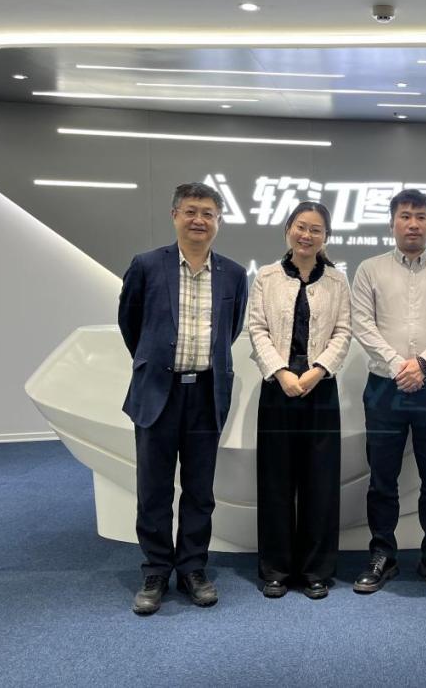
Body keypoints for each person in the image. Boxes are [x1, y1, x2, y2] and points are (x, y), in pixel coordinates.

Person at [117, 182, 249, 615]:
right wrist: (156, 364)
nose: (199, 220)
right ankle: (156, 569)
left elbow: (230, 330)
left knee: (199, 490)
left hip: (206, 394)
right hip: (158, 392)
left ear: (218, 221)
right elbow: (131, 325)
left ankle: (193, 567)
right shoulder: (146, 266)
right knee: (153, 488)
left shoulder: (233, 274)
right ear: (175, 215)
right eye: (191, 211)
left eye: (208, 213)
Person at [350, 189, 426, 594]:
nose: (413, 224)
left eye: (421, 217)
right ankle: (382, 554)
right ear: (392, 223)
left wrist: (423, 364)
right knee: (382, 478)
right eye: (405, 216)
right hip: (384, 389)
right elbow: (362, 324)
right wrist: (399, 366)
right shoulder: (369, 269)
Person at [248, 202, 351, 600]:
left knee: (320, 482)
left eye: (316, 230)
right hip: (278, 386)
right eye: (301, 227)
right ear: (288, 229)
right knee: (275, 480)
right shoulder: (266, 277)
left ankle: (315, 570)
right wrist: (281, 372)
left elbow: (343, 331)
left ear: (326, 237)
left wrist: (317, 370)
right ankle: (275, 569)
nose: (307, 235)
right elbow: (257, 329)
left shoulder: (337, 281)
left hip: (320, 387)